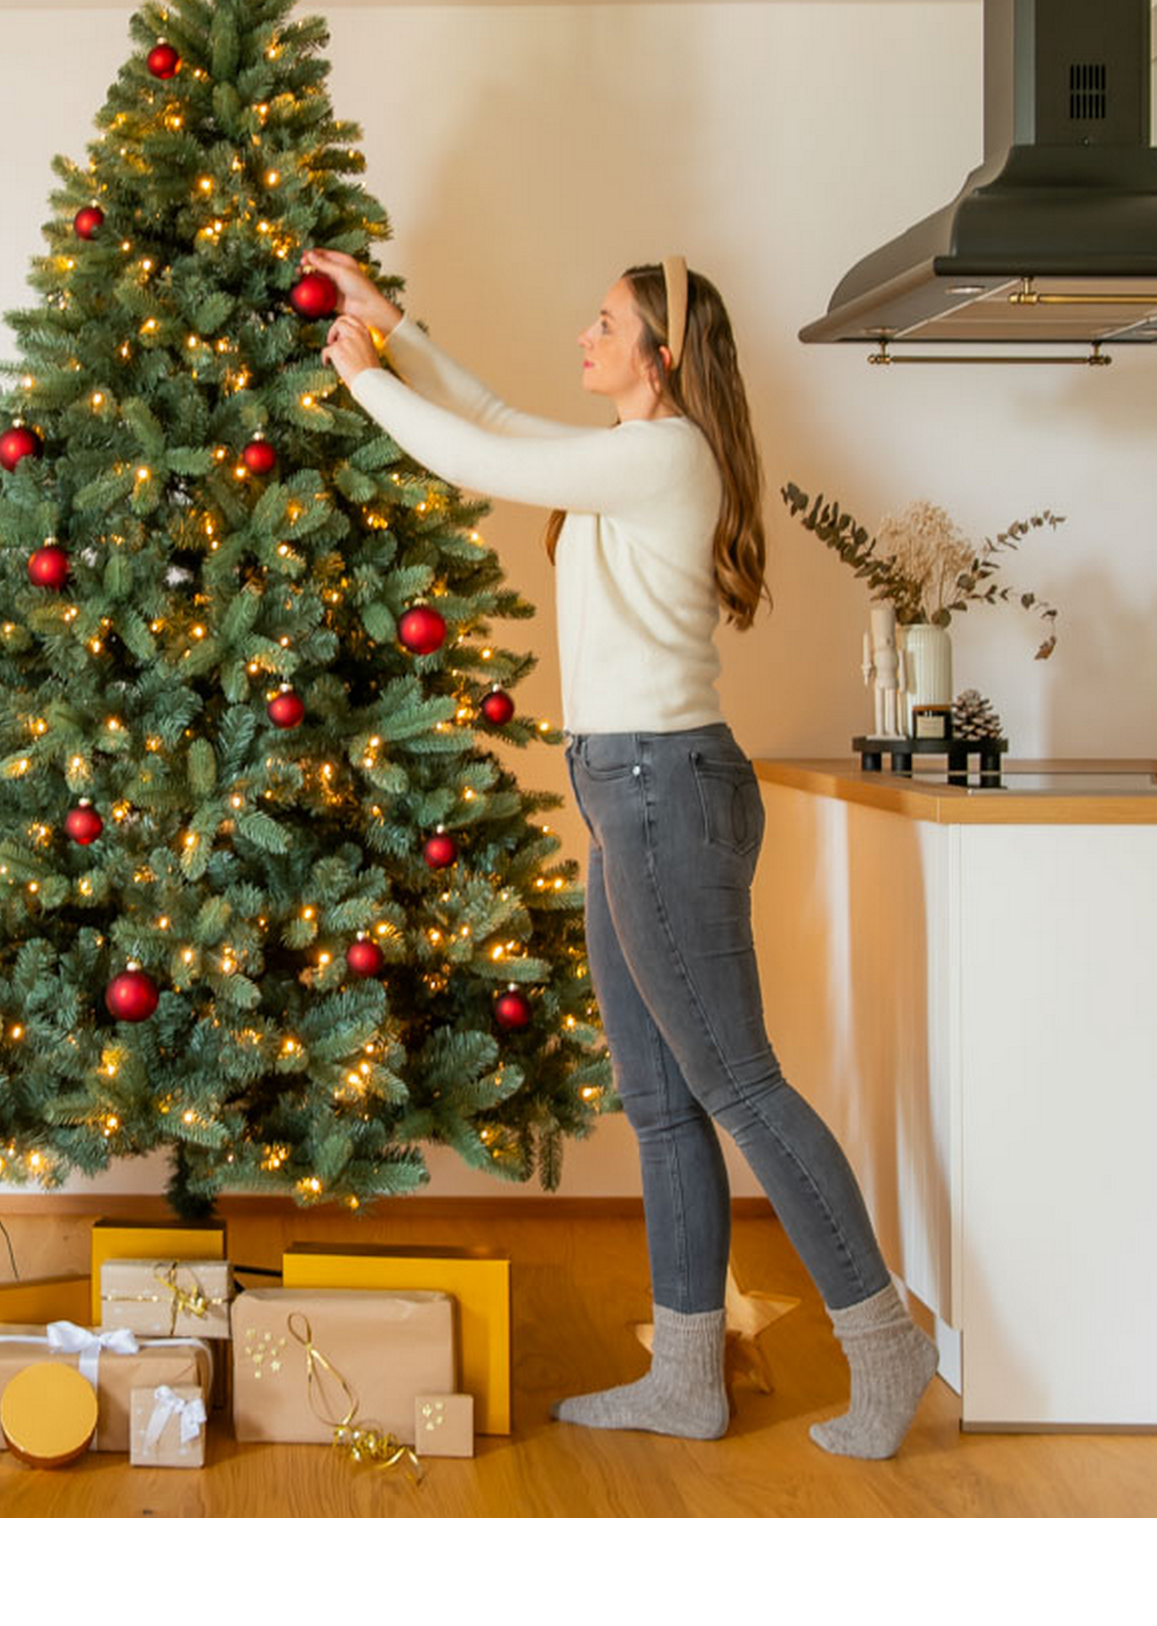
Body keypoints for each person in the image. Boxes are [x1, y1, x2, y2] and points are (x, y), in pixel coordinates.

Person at [309, 245, 939, 1461]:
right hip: (628, 790)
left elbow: (477, 457)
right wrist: (398, 329)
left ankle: (882, 1341)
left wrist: (361, 377)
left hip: (662, 790)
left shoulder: (664, 454)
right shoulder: (630, 454)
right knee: (659, 1100)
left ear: (660, 354)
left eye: (604, 323)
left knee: (736, 1082)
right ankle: (685, 1378)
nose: (583, 335)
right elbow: (495, 419)